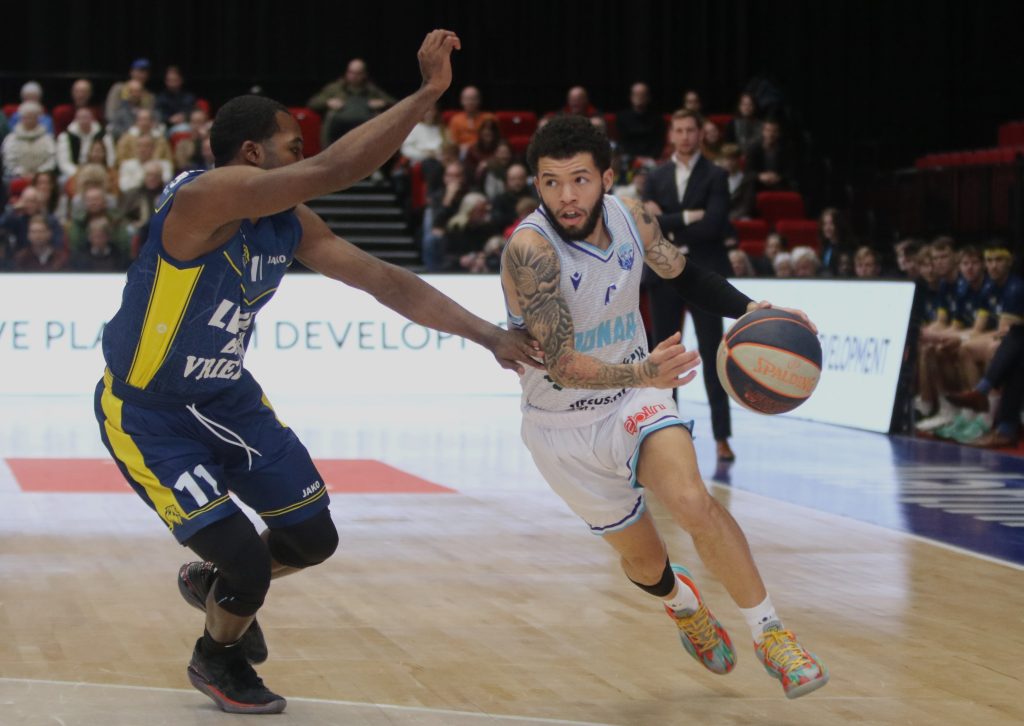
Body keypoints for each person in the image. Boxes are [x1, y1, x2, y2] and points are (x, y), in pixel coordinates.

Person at [92, 31, 539, 715]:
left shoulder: (287, 223)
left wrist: (489, 336)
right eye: (292, 146)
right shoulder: (204, 200)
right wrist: (428, 93)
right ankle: (217, 656)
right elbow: (335, 168)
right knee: (246, 562)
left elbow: (385, 280)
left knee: (311, 538)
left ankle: (215, 586)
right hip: (151, 414)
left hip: (228, 400)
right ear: (252, 155)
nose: (303, 157)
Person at [501, 114, 828, 701]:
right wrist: (645, 370)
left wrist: (753, 310)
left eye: (579, 180)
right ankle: (682, 604)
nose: (566, 196)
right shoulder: (531, 250)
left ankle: (772, 635)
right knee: (647, 563)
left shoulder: (632, 216)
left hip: (635, 398)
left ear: (606, 178)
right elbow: (561, 364)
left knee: (692, 501)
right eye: (551, 182)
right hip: (560, 425)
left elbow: (685, 275)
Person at [642, 110, 736, 461]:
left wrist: (668, 224)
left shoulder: (716, 174)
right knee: (665, 358)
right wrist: (686, 216)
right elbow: (648, 226)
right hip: (663, 275)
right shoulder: (655, 176)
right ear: (671, 134)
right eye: (678, 130)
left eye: (690, 130)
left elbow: (713, 225)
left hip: (704, 274)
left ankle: (722, 437)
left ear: (700, 133)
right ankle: (667, 437)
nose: (684, 136)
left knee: (714, 355)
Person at [307, 57, 396, 147]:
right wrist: (327, 102)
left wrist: (383, 103)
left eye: (358, 73)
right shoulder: (335, 88)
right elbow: (313, 103)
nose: (354, 76)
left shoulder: (371, 90)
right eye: (351, 72)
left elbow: (394, 104)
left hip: (364, 133)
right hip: (337, 134)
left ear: (364, 74)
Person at [615, 82, 665, 165]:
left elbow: (659, 142)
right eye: (636, 94)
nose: (639, 97)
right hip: (629, 159)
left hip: (652, 159)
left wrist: (649, 158)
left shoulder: (657, 119)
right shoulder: (622, 118)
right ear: (631, 97)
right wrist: (635, 158)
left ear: (648, 97)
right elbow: (622, 142)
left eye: (642, 94)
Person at [446, 85, 496, 153]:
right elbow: (453, 143)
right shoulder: (455, 120)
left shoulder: (489, 118)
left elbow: (496, 140)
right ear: (462, 101)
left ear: (479, 100)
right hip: (462, 153)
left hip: (485, 152)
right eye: (467, 99)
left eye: (473, 99)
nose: (470, 102)